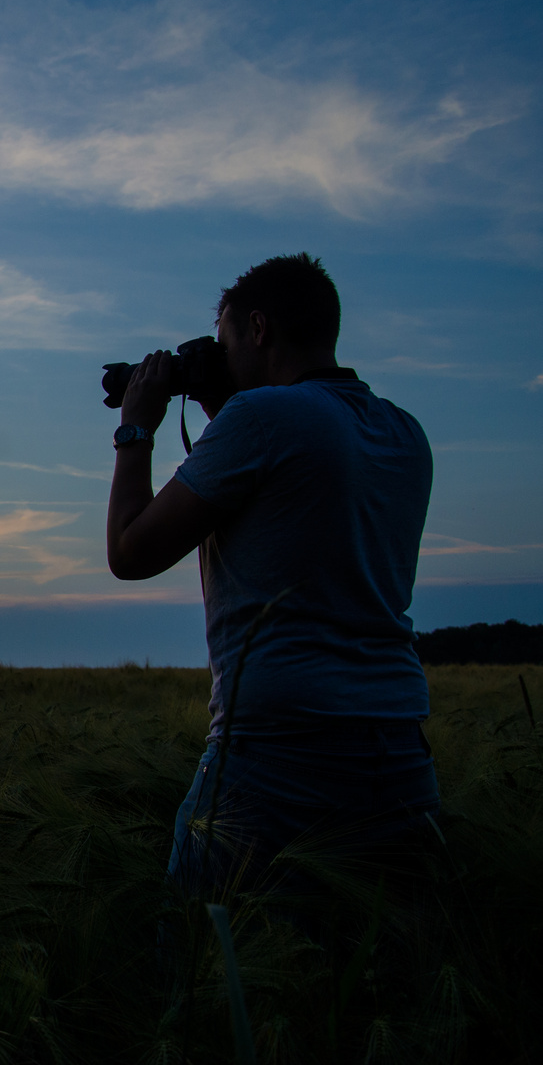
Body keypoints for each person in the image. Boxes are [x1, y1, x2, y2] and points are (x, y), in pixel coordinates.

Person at [105, 252, 439, 901]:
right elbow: (290, 506)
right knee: (383, 968)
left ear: (257, 330)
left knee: (207, 956)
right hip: (396, 745)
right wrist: (221, 409)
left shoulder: (259, 422)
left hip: (278, 746)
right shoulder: (403, 431)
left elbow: (130, 552)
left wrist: (135, 428)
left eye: (226, 341)